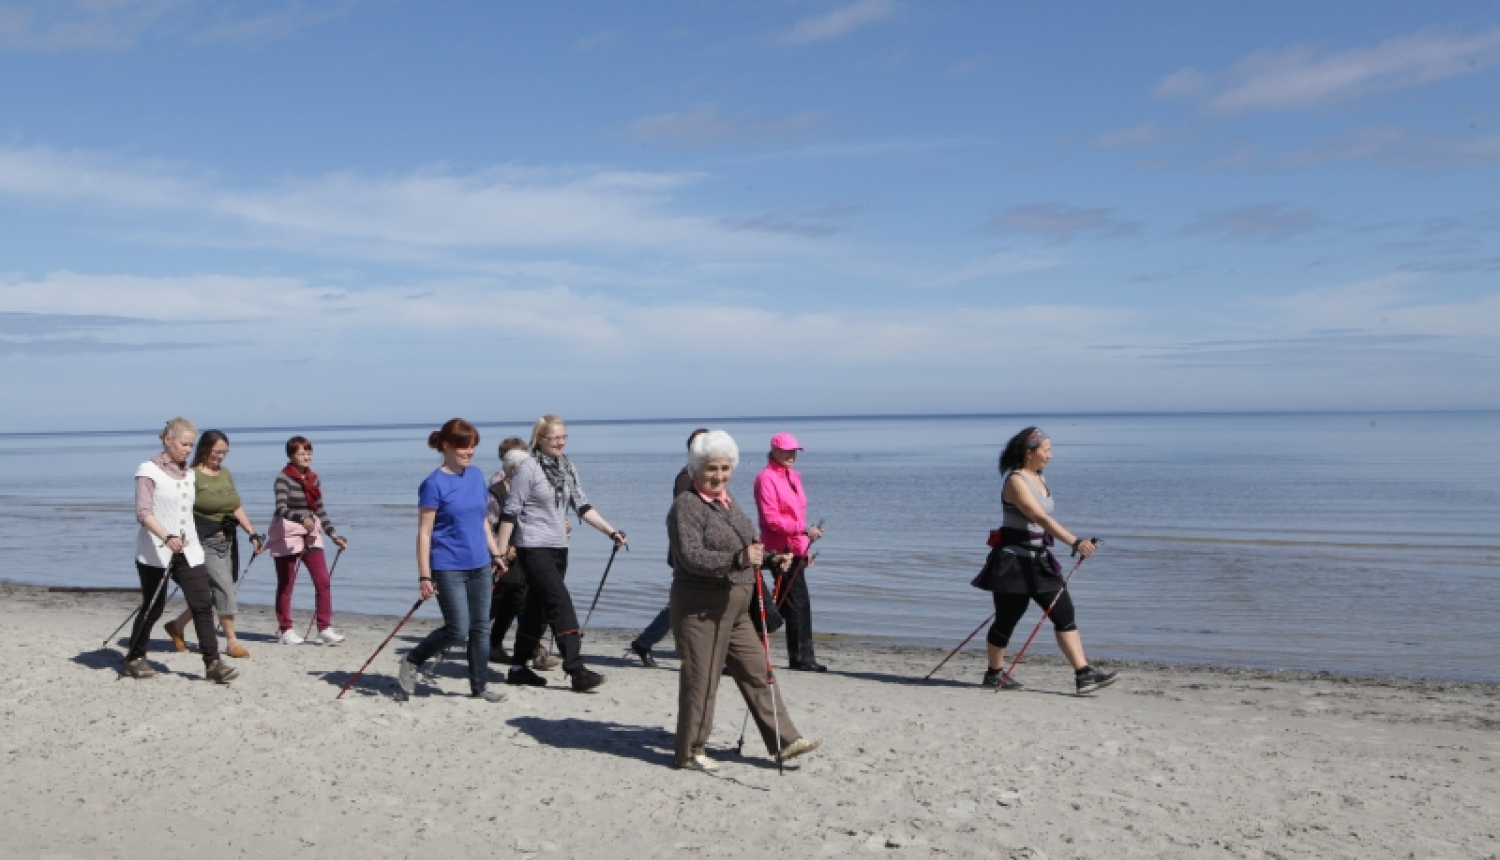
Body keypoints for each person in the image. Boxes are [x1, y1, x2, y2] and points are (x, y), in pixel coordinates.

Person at [668, 430, 820, 772]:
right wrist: (739, 559)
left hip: (737, 606)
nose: (719, 475)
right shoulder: (686, 506)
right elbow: (691, 556)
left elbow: (750, 544)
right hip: (700, 607)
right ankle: (690, 751)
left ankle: (785, 740)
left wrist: (770, 559)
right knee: (701, 679)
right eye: (711, 469)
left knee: (758, 671)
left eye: (724, 468)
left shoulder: (728, 501)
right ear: (696, 468)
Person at [494, 415, 627, 693]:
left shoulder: (567, 466)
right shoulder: (528, 468)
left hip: (558, 547)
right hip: (532, 547)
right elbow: (510, 511)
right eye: (553, 437)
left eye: (563, 436)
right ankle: (576, 669)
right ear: (539, 439)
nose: (559, 442)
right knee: (560, 603)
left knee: (537, 609)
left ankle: (518, 668)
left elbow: (582, 505)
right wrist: (500, 552)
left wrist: (611, 532)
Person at [982, 426, 1118, 694]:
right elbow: (1041, 519)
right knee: (1006, 620)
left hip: (1040, 561)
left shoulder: (1039, 478)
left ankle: (1083, 674)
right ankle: (994, 674)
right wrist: (1076, 542)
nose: (1051, 456)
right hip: (1013, 563)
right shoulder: (1015, 481)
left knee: (1064, 614)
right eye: (1047, 451)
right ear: (1029, 453)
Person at [397, 419, 508, 703]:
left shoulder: (475, 476)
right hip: (447, 565)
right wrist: (424, 576)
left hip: (480, 563)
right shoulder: (433, 484)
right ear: (447, 445)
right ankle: (412, 660)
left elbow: (482, 520)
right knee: (458, 629)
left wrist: (496, 554)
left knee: (481, 626)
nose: (469, 451)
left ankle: (479, 686)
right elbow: (424, 533)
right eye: (463, 446)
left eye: (472, 446)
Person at [124, 417, 238, 683]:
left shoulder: (189, 473)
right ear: (168, 440)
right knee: (153, 607)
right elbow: (143, 513)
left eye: (191, 445)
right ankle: (134, 656)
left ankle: (213, 663)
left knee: (202, 603)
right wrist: (167, 536)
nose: (188, 449)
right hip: (156, 551)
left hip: (189, 550)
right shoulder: (148, 470)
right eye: (184, 444)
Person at [163, 430, 265, 659]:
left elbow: (235, 506)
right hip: (203, 541)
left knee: (208, 594)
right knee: (223, 588)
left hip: (227, 540)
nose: (221, 456)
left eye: (224, 452)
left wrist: (252, 533)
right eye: (217, 452)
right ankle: (231, 641)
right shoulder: (191, 475)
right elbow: (180, 508)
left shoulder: (225, 473)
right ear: (205, 449)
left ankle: (177, 626)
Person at [626, 427, 709, 667]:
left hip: (705, 552)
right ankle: (649, 641)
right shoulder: (687, 477)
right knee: (688, 601)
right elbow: (685, 520)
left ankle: (647, 641)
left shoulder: (704, 477)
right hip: (690, 553)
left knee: (692, 601)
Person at [754, 431, 826, 672]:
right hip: (779, 551)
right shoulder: (766, 478)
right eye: (786, 450)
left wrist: (805, 543)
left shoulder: (792, 477)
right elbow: (770, 519)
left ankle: (801, 656)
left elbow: (798, 514)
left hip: (797, 547)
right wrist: (804, 530)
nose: (791, 454)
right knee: (794, 604)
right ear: (774, 450)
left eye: (794, 450)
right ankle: (799, 658)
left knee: (798, 604)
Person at [486, 436, 559, 671]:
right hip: (507, 555)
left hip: (528, 550)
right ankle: (538, 652)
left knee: (508, 604)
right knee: (522, 602)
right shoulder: (496, 489)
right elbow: (488, 525)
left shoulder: (531, 483)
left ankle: (492, 643)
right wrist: (502, 548)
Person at [268, 435, 349, 645]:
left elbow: (320, 510)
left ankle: (325, 628)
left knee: (323, 581)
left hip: (311, 532)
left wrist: (333, 535)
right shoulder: (283, 478)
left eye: (308, 452)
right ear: (291, 455)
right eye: (301, 453)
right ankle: (286, 629)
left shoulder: (313, 478)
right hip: (287, 533)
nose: (306, 456)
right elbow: (281, 508)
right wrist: (301, 518)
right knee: (286, 584)